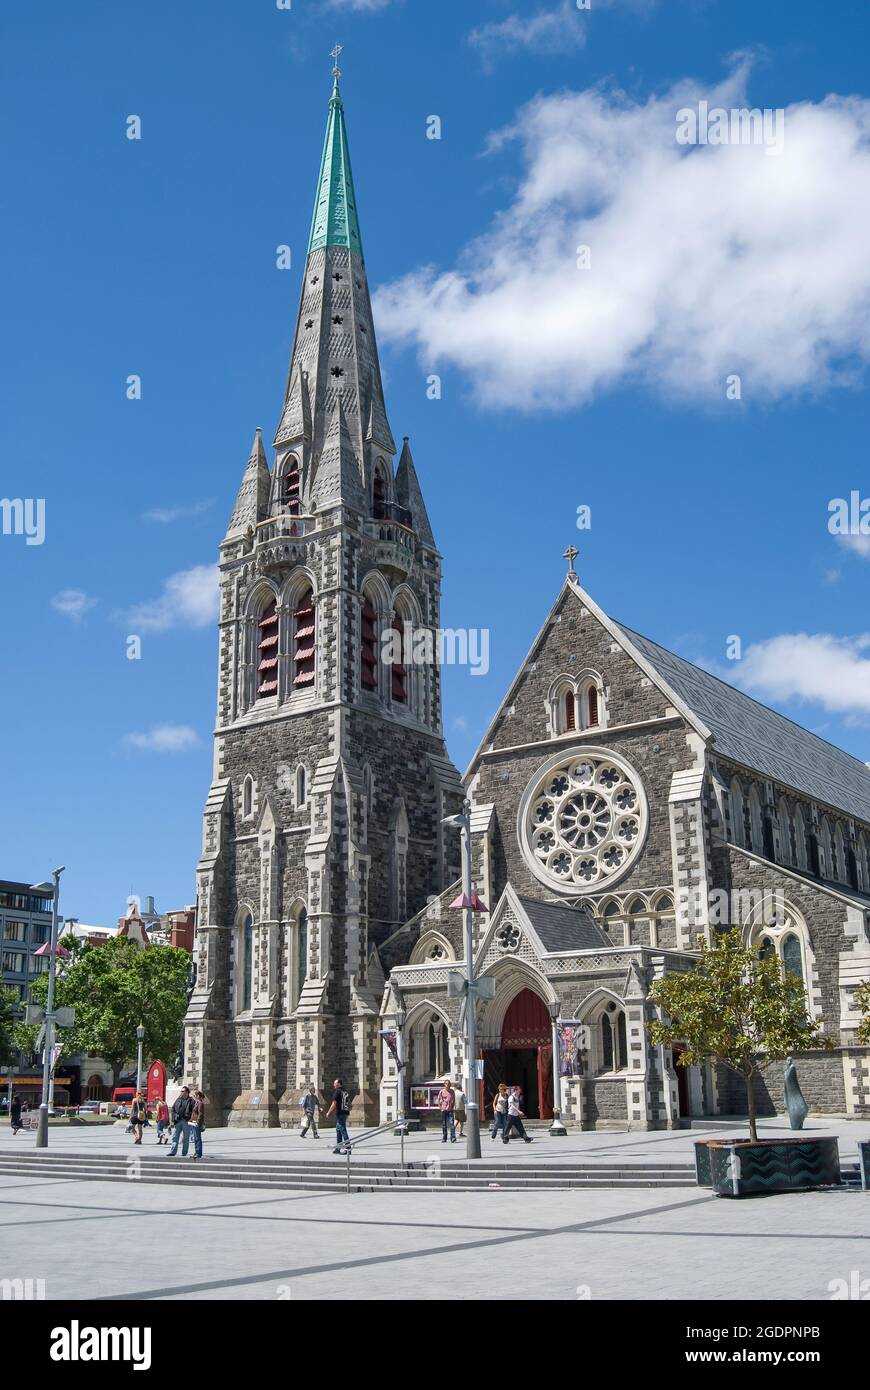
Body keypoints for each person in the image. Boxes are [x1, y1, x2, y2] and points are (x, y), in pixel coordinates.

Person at [168, 1086, 194, 1156]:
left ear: (187, 1092)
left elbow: (194, 1111)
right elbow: (173, 1109)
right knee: (175, 1137)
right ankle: (173, 1152)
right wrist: (173, 1119)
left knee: (186, 1138)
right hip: (178, 1121)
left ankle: (184, 1153)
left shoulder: (191, 1100)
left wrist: (190, 1119)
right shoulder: (178, 1100)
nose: (181, 1092)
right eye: (181, 1091)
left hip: (186, 1121)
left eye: (183, 1091)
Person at [326, 1078, 351, 1153]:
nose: (334, 1084)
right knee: (338, 1130)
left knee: (342, 1129)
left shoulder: (337, 1091)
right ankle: (338, 1148)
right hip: (345, 1112)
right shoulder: (345, 1091)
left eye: (335, 1083)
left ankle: (348, 1148)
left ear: (339, 1084)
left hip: (340, 1113)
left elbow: (334, 1104)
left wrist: (329, 1112)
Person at [438, 1079, 456, 1143]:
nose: (447, 1085)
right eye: (446, 1083)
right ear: (444, 1084)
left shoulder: (452, 1091)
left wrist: (452, 1107)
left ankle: (453, 1137)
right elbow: (439, 1100)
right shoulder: (441, 1091)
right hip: (444, 1110)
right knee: (444, 1124)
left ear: (450, 1085)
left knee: (452, 1124)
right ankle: (444, 1137)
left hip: (450, 1110)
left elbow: (453, 1100)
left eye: (448, 1083)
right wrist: (441, 1108)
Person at [190, 1090, 206, 1161]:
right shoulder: (196, 1103)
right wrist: (191, 1119)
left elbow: (200, 1113)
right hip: (193, 1122)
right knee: (195, 1138)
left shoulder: (200, 1103)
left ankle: (199, 1153)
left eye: (195, 1095)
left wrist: (198, 1122)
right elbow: (194, 1113)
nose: (194, 1096)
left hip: (197, 1123)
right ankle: (196, 1152)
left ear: (198, 1096)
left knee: (197, 1138)